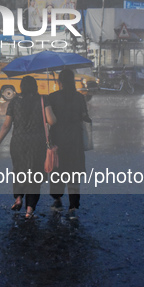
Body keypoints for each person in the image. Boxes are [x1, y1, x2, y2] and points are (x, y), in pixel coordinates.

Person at [0, 76, 51, 219]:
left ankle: (18, 198)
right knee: (34, 175)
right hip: (37, 143)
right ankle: (29, 209)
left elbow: (6, 126)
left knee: (19, 171)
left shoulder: (14, 102)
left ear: (21, 87)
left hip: (18, 143)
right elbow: (51, 120)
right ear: (35, 87)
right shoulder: (42, 100)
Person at [46, 68, 91, 220]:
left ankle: (57, 201)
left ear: (59, 82)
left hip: (58, 139)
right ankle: (73, 207)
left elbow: (48, 119)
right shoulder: (79, 97)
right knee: (74, 172)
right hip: (75, 139)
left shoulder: (52, 97)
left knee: (57, 171)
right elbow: (85, 117)